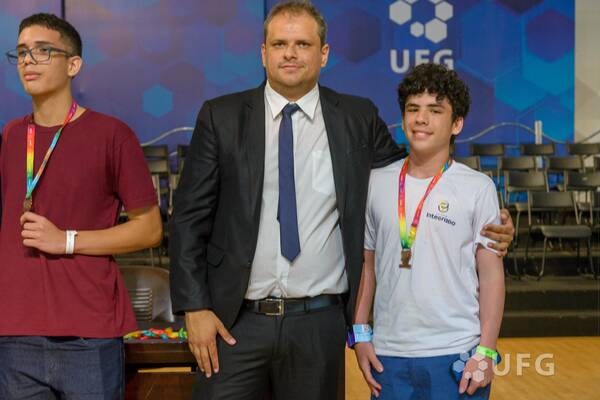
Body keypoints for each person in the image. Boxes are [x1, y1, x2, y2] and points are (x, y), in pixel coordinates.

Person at [170, 1, 513, 399]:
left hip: (318, 324)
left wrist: (490, 218)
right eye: (279, 44)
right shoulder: (222, 117)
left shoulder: (356, 117)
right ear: (263, 53)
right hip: (235, 322)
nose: (290, 53)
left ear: (324, 54)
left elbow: (416, 175)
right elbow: (188, 218)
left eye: (303, 44)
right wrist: (195, 307)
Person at [0, 13, 162, 399]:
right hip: (15, 332)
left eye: (43, 50)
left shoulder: (112, 135)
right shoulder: (11, 136)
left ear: (73, 65)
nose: (28, 60)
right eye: (21, 52)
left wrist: (67, 240)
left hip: (88, 334)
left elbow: (150, 229)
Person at [353, 63, 505, 399]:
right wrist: (360, 334)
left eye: (435, 111)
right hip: (388, 353)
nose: (421, 119)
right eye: (413, 109)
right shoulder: (376, 181)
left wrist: (487, 351)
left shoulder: (478, 187)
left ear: (457, 124)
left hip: (456, 352)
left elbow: (491, 275)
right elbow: (367, 265)